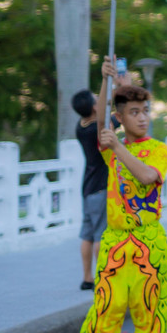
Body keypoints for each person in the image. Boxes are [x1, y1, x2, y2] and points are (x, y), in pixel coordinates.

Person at [52, 57, 167, 333]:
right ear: (121, 117)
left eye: (145, 110)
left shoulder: (158, 150)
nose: (143, 117)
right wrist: (106, 80)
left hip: (149, 241)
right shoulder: (110, 148)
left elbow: (147, 177)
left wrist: (118, 146)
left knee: (149, 310)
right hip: (115, 242)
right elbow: (101, 120)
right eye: (134, 112)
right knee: (105, 308)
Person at [72, 90, 107, 291]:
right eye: (96, 98)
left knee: (87, 235)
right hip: (101, 188)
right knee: (100, 235)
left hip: (87, 188)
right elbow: (117, 118)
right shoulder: (98, 129)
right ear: (94, 106)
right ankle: (101, 278)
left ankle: (87, 278)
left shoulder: (81, 127)